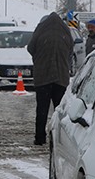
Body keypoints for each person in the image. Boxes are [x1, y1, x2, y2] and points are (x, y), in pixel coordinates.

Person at [27, 12, 72, 146]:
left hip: (43, 77)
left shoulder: (41, 32)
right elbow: (70, 49)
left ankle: (40, 137)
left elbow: (30, 48)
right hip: (60, 77)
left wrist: (40, 58)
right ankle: (60, 138)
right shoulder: (65, 32)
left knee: (42, 109)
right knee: (59, 110)